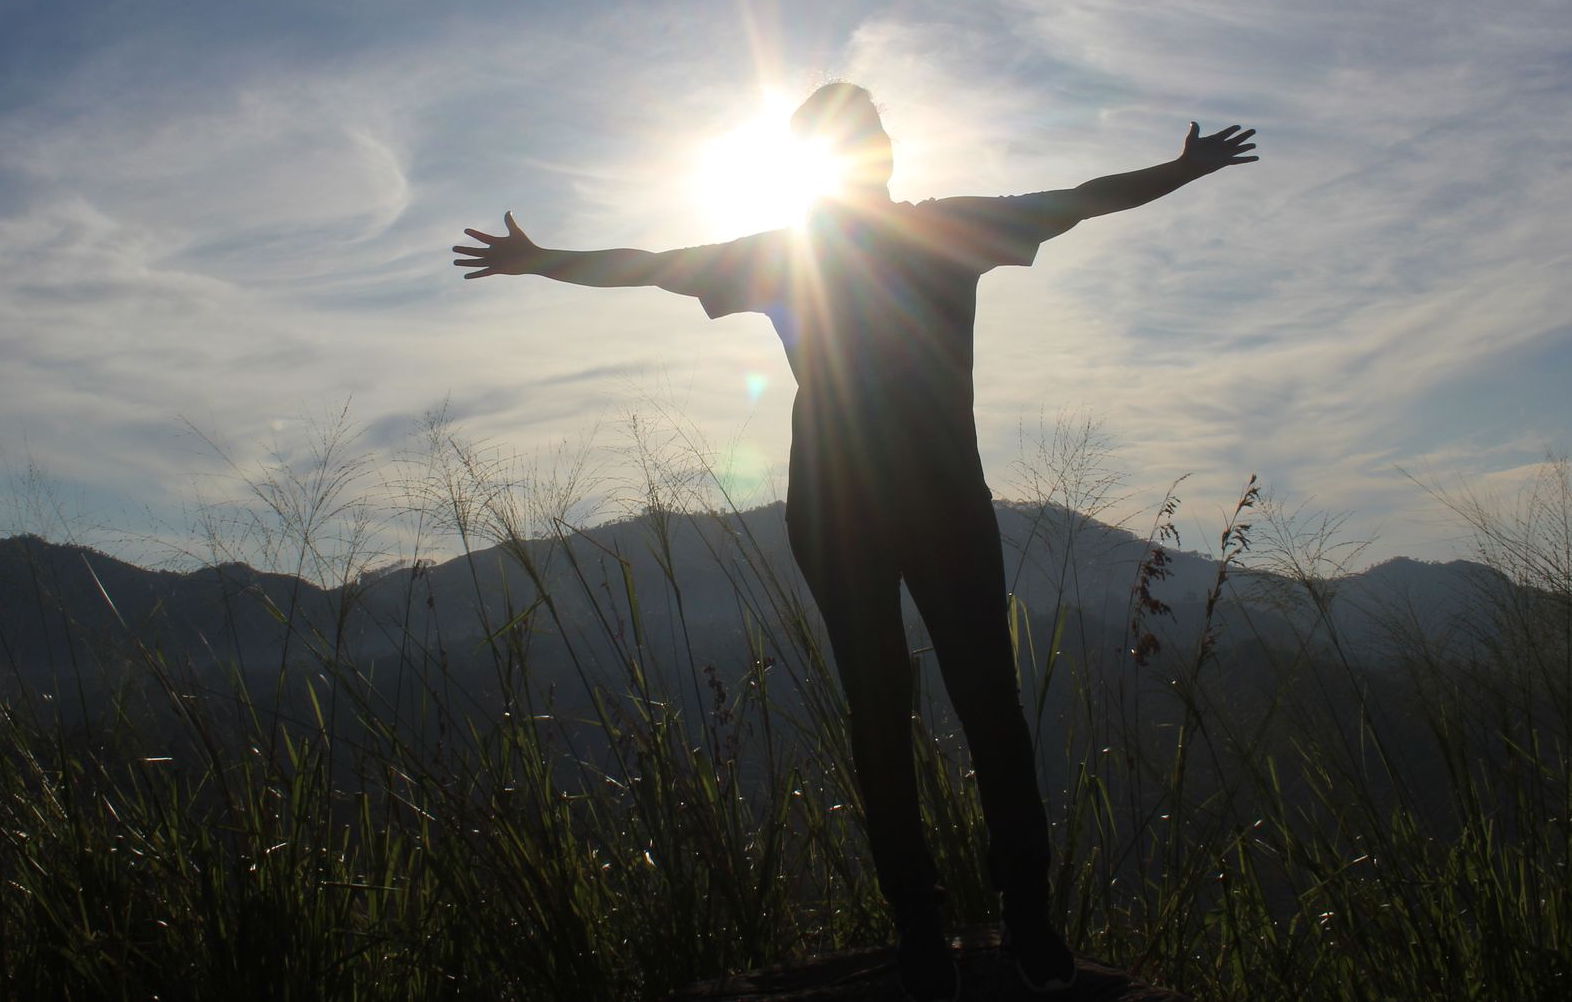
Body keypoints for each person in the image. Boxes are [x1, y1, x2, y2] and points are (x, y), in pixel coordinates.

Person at [455, 83, 1257, 1001]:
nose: (868, 151)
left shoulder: (862, 242)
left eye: (867, 136)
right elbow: (652, 264)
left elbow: (1078, 199)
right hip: (858, 510)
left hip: (894, 506)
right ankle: (943, 932)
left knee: (967, 705)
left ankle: (1014, 922)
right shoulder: (863, 243)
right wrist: (542, 257)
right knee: (912, 711)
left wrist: (1179, 170)